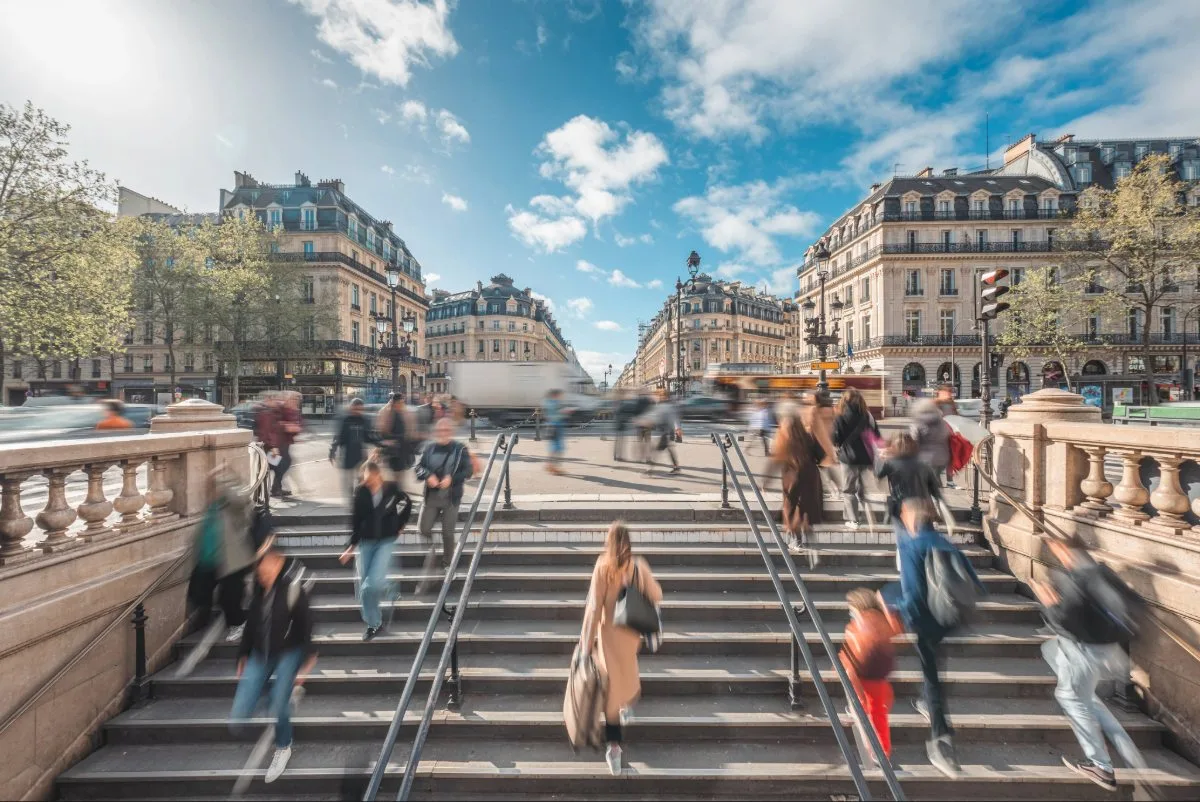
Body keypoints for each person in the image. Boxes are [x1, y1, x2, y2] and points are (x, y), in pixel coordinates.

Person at [1031, 538, 1149, 792]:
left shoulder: (1077, 580)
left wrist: (1049, 603)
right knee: (1050, 650)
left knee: (1070, 697)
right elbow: (1137, 604)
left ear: (1065, 551)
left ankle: (1101, 766)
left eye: (1056, 550)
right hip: (1110, 650)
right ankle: (1121, 745)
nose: (1055, 556)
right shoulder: (1104, 573)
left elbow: (1067, 620)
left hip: (1086, 649)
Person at [884, 498, 983, 778]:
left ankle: (941, 741)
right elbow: (975, 583)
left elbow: (914, 595)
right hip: (950, 619)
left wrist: (897, 611)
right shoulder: (946, 543)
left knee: (932, 675)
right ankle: (928, 703)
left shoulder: (911, 546)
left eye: (903, 515)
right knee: (932, 670)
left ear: (911, 518)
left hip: (926, 620)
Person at [231, 537, 317, 784]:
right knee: (238, 718)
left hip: (289, 652)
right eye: (260, 566)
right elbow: (251, 626)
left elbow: (307, 626)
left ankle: (284, 746)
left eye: (266, 564)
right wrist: (242, 654)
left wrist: (307, 661)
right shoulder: (258, 591)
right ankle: (282, 698)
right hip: (261, 652)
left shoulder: (292, 589)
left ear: (278, 563)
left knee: (278, 704)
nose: (262, 571)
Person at [579, 521, 663, 775]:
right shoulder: (638, 566)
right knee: (625, 678)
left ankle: (614, 747)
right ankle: (626, 706)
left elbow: (594, 608)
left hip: (608, 638)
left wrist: (585, 644)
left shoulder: (602, 568)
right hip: (630, 636)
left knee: (610, 692)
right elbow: (657, 594)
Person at [340, 461, 410, 641]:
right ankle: (376, 617)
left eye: (371, 480)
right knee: (365, 585)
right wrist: (350, 546)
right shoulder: (361, 492)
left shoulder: (391, 489)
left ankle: (375, 617)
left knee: (370, 586)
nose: (368, 484)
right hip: (366, 543)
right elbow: (356, 520)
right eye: (366, 481)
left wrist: (400, 524)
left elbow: (407, 503)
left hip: (386, 541)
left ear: (378, 476)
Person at [840, 588, 903, 763]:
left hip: (861, 676)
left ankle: (870, 746)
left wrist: (846, 668)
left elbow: (850, 656)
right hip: (880, 677)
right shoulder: (882, 621)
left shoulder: (855, 627)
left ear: (858, 609)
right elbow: (896, 629)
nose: (851, 614)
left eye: (851, 610)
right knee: (878, 714)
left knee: (859, 708)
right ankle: (884, 750)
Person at [414, 418, 474, 591]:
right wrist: (427, 475)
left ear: (451, 432)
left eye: (447, 430)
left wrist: (452, 479)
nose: (443, 433)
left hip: (450, 498)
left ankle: (448, 563)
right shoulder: (429, 448)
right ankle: (431, 557)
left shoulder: (460, 449)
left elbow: (468, 471)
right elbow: (418, 468)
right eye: (440, 431)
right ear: (436, 432)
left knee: (448, 532)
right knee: (423, 528)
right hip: (431, 497)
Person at [772, 404, 824, 560]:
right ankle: (805, 539)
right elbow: (821, 456)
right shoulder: (808, 436)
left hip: (792, 475)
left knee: (790, 506)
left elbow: (777, 459)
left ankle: (796, 540)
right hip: (810, 474)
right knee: (805, 506)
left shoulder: (785, 439)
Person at [833, 388, 881, 530]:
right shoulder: (867, 415)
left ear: (844, 400)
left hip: (848, 458)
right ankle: (860, 511)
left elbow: (835, 438)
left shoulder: (840, 416)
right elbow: (876, 435)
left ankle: (853, 520)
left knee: (848, 490)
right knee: (859, 486)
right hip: (866, 457)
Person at [329, 399, 378, 504]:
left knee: (361, 479)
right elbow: (338, 437)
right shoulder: (346, 420)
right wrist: (332, 451)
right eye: (356, 408)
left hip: (360, 455)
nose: (358, 411)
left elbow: (368, 437)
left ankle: (359, 499)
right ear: (351, 407)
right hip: (347, 455)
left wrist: (380, 443)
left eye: (360, 409)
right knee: (348, 481)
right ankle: (351, 501)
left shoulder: (364, 420)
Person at [800, 391, 839, 498]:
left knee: (820, 468)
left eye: (809, 398)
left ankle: (831, 490)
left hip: (816, 442)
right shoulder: (827, 410)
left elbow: (811, 427)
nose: (806, 399)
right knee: (824, 467)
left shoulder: (814, 410)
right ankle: (834, 489)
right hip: (824, 441)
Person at [910, 398, 952, 488]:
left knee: (924, 484)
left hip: (924, 458)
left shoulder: (918, 422)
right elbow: (946, 435)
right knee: (934, 480)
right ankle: (938, 497)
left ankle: (935, 498)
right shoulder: (941, 421)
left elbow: (914, 439)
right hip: (942, 457)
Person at [645, 390, 681, 475]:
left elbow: (674, 417)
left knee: (656, 450)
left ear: (663, 396)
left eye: (659, 396)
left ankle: (650, 470)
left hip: (667, 432)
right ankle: (676, 468)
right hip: (664, 432)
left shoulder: (667, 406)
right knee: (669, 450)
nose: (656, 397)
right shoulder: (660, 405)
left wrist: (678, 428)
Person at [543, 388, 568, 475]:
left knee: (554, 446)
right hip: (556, 426)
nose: (561, 397)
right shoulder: (554, 403)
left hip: (552, 426)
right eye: (560, 395)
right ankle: (554, 467)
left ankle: (549, 465)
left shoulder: (547, 402)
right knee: (558, 447)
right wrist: (564, 412)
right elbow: (556, 415)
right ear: (555, 395)